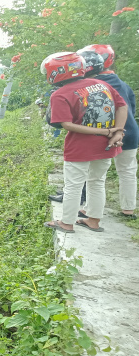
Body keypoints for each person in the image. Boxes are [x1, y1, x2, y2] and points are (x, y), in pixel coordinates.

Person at [42, 51, 128, 233]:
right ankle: (94, 220)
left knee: (73, 185)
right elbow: (122, 106)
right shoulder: (101, 84)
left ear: (55, 73)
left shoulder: (60, 94)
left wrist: (107, 131)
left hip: (79, 147)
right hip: (106, 145)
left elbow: (67, 124)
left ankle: (67, 222)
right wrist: (116, 132)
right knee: (97, 181)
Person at [78, 44, 138, 220]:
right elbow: (130, 109)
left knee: (96, 174)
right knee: (127, 170)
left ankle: (90, 209)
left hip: (106, 132)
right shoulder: (123, 84)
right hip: (130, 130)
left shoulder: (92, 85)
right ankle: (128, 210)